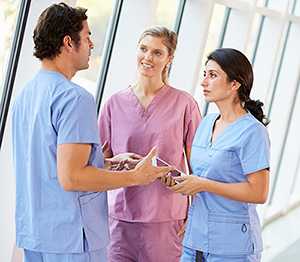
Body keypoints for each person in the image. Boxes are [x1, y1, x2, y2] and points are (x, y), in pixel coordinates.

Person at [11, 3, 171, 262]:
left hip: (36, 233)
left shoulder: (26, 95)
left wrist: (106, 163)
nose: (92, 45)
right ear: (68, 43)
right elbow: (72, 177)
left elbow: (49, 162)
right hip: (73, 238)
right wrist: (136, 176)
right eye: (87, 37)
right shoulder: (74, 98)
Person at [99, 26, 201, 262]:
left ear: (169, 58)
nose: (148, 57)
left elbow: (199, 166)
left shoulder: (185, 104)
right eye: (143, 49)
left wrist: (195, 214)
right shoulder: (114, 103)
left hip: (166, 218)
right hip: (119, 217)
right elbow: (97, 162)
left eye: (157, 52)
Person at [168, 48, 270, 262]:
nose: (204, 82)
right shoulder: (206, 123)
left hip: (232, 246)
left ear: (235, 84)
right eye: (204, 74)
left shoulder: (252, 131)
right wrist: (175, 179)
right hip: (194, 240)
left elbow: (259, 193)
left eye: (213, 75)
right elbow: (201, 176)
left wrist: (203, 184)